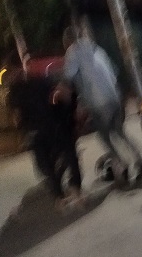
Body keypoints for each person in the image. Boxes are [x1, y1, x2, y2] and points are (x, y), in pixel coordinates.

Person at [61, 26, 142, 181]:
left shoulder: (73, 51)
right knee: (119, 131)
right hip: (115, 96)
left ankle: (122, 165)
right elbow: (114, 71)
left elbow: (68, 77)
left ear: (68, 41)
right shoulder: (96, 48)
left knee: (104, 136)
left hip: (99, 101)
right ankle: (138, 158)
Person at [5, 64, 84, 210]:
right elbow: (60, 96)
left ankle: (59, 197)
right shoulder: (41, 81)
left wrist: (22, 132)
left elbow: (16, 117)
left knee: (46, 166)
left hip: (36, 132)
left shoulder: (13, 94)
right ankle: (75, 190)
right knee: (70, 154)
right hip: (55, 125)